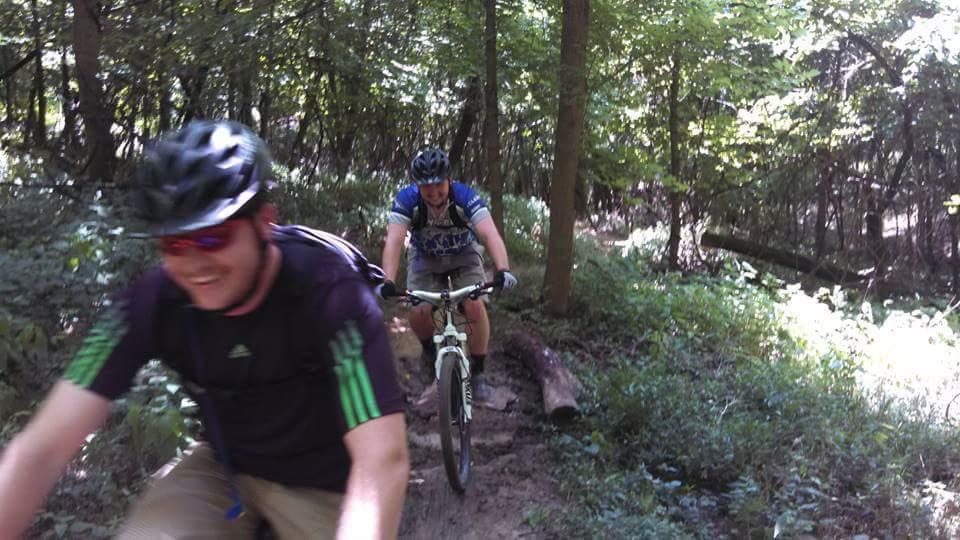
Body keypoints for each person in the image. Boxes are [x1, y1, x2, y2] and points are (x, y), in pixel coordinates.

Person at [0, 120, 409, 539]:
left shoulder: (330, 296)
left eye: (215, 237)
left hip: (325, 486)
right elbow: (40, 448)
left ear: (264, 223)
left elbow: (381, 460)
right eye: (174, 244)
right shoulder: (153, 302)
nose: (195, 262)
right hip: (224, 470)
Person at [377, 148, 517, 401]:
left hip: (464, 255)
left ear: (449, 180)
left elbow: (489, 233)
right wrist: (387, 279)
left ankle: (479, 373)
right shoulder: (407, 200)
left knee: (474, 306)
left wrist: (503, 269)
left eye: (439, 185)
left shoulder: (465, 196)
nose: (434, 193)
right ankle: (430, 353)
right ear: (416, 186)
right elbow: (394, 241)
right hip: (424, 258)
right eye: (426, 188)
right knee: (418, 310)